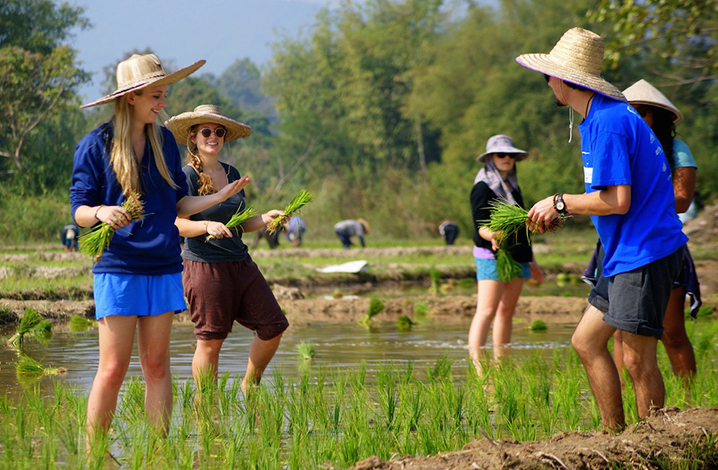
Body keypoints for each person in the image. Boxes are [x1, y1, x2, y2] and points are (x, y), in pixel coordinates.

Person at [70, 54, 248, 441]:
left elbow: (177, 205)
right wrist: (101, 212)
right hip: (118, 267)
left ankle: (159, 454)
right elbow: (79, 211)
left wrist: (220, 194)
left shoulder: (165, 141)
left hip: (165, 266)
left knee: (156, 366)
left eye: (164, 94)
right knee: (113, 368)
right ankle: (95, 454)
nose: (163, 102)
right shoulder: (95, 144)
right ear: (131, 97)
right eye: (156, 95)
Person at [517, 28, 688, 429]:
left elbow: (618, 201)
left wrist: (560, 202)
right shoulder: (600, 118)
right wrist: (567, 210)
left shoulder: (609, 122)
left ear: (563, 80)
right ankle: (614, 435)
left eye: (548, 78)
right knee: (587, 341)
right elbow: (609, 199)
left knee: (635, 357)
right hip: (623, 251)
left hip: (644, 251)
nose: (548, 85)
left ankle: (652, 443)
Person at [166, 104, 289, 394]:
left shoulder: (232, 172)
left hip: (241, 264)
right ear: (193, 137)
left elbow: (239, 224)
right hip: (205, 266)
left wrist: (265, 218)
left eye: (219, 132)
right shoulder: (187, 176)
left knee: (274, 325)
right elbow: (176, 223)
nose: (213, 136)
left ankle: (250, 384)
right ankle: (205, 405)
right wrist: (206, 226)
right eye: (206, 131)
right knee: (211, 340)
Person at [590, 79, 701, 380]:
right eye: (631, 111)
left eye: (643, 112)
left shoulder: (676, 150)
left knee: (672, 332)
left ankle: (690, 403)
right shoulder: (619, 141)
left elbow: (682, 199)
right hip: (618, 242)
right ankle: (626, 394)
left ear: (658, 116)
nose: (635, 117)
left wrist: (629, 197)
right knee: (617, 331)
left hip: (656, 243)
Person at [468, 135, 542, 373]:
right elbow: (480, 224)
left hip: (518, 254)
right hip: (492, 253)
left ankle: (502, 363)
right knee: (487, 310)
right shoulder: (483, 187)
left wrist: (533, 261)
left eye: (511, 155)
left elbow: (524, 226)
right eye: (501, 154)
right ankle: (478, 365)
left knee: (506, 310)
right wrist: (495, 236)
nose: (507, 158)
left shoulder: (512, 186)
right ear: (491, 158)